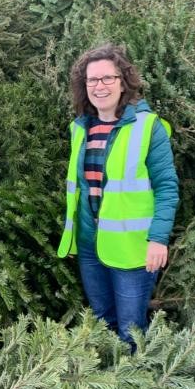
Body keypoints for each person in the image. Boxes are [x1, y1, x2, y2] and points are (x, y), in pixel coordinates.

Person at [58, 44, 179, 348]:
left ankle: (137, 387)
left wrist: (158, 239)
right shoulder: (80, 129)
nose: (99, 86)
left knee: (130, 330)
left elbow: (166, 186)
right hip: (89, 244)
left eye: (107, 78)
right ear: (84, 87)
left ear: (123, 81)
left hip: (132, 248)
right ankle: (110, 384)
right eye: (92, 80)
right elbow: (82, 190)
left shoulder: (148, 127)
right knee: (102, 320)